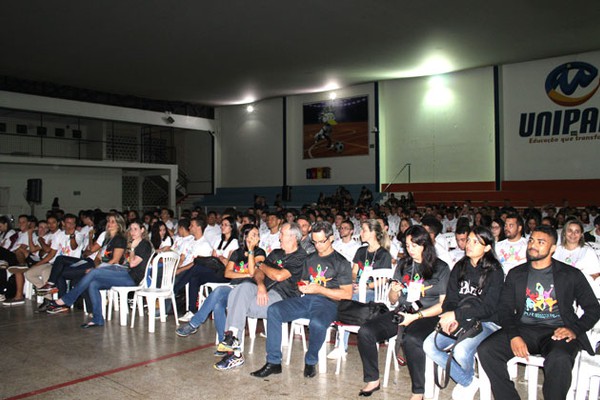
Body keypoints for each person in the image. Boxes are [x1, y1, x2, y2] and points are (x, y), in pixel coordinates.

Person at [478, 225, 600, 400]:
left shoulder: (570, 274)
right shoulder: (516, 274)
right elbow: (504, 309)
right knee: (487, 350)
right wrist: (513, 335)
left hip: (558, 331)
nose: (533, 245)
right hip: (524, 329)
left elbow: (593, 308)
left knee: (560, 358)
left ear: (552, 249)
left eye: (541, 242)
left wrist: (574, 329)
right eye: (532, 240)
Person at [356, 225, 450, 399]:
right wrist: (394, 290)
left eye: (414, 245)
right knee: (366, 331)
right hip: (404, 311)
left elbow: (443, 305)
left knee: (412, 339)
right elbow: (392, 300)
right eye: (407, 246)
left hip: (429, 314)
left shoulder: (441, 268)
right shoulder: (403, 264)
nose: (410, 250)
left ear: (425, 245)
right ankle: (373, 379)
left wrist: (415, 317)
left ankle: (418, 391)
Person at [250, 221, 352, 379]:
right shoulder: (310, 258)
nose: (317, 245)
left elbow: (347, 294)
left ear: (331, 238)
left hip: (329, 303)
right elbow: (302, 281)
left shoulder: (341, 262)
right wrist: (304, 286)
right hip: (307, 299)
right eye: (314, 241)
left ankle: (311, 360)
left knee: (317, 323)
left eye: (321, 241)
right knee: (274, 310)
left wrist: (319, 289)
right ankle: (273, 362)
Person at [423, 226, 504, 400]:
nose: (469, 245)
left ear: (487, 247)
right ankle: (468, 381)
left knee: (460, 351)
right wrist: (452, 316)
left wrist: (457, 315)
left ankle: (465, 380)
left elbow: (488, 308)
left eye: (476, 242)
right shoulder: (460, 267)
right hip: (461, 319)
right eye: (469, 240)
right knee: (429, 345)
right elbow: (450, 299)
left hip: (487, 322)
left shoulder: (495, 271)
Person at [213, 222, 307, 370]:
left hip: (282, 296)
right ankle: (232, 337)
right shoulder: (276, 253)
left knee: (236, 302)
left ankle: (234, 353)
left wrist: (261, 266)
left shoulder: (300, 256)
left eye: (282, 234)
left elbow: (279, 276)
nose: (279, 237)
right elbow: (257, 273)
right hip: (261, 288)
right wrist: (261, 285)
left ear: (293, 237)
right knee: (240, 289)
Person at [48, 218, 153, 327]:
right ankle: (98, 319)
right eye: (131, 229)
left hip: (133, 278)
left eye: (135, 229)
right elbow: (124, 263)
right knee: (93, 284)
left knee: (94, 272)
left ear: (142, 230)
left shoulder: (144, 244)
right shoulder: (131, 242)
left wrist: (132, 249)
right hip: (124, 272)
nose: (132, 232)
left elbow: (133, 264)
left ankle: (67, 299)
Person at [175, 224, 265, 342]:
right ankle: (224, 342)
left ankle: (194, 324)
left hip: (248, 290)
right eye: (253, 234)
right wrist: (246, 274)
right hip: (234, 287)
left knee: (219, 291)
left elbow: (253, 272)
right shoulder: (237, 253)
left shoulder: (260, 253)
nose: (257, 237)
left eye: (258, 235)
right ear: (245, 236)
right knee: (218, 305)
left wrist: (251, 251)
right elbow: (227, 273)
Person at [328, 219, 392, 359]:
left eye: (364, 230)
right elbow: (354, 272)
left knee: (348, 300)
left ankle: (341, 346)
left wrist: (365, 285)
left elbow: (384, 279)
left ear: (373, 233)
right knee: (343, 296)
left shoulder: (384, 254)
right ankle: (340, 343)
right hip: (358, 288)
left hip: (374, 293)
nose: (361, 233)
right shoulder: (361, 250)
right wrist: (353, 283)